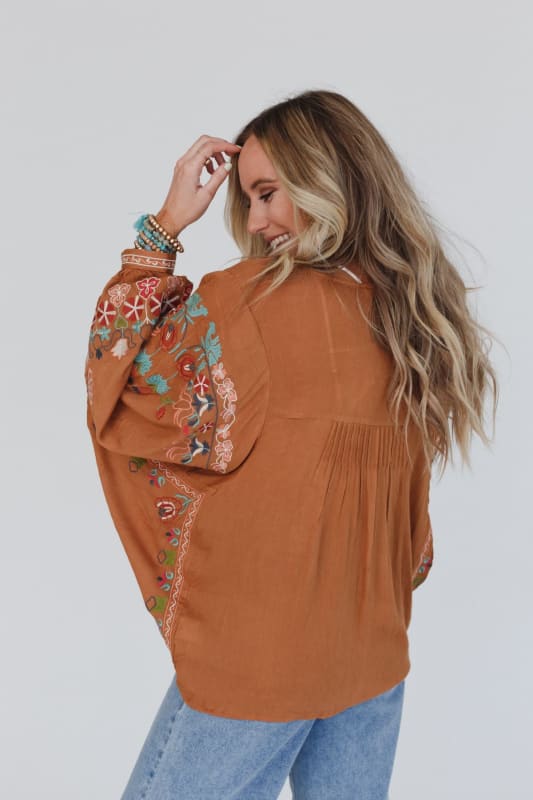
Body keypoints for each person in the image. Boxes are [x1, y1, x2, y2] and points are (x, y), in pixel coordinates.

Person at [84, 90, 499, 799]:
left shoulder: (248, 302)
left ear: (326, 177)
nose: (256, 221)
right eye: (249, 201)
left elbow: (119, 379)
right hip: (371, 658)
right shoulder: (414, 315)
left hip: (261, 665)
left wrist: (163, 228)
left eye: (268, 193)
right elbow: (409, 530)